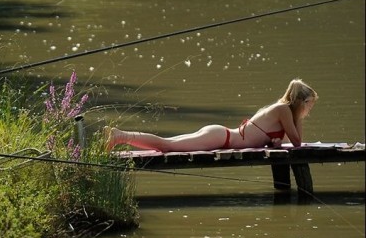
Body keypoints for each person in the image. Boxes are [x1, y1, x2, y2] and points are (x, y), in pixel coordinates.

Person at [105, 79, 318, 152]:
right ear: (302, 102)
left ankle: (121, 135)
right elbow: (298, 143)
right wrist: (299, 115)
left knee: (167, 144)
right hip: (221, 137)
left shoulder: (281, 111)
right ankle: (120, 135)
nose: (310, 110)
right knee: (166, 146)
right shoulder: (284, 110)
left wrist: (274, 142)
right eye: (309, 105)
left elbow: (271, 137)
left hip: (220, 135)